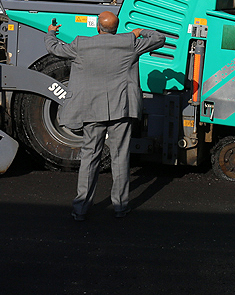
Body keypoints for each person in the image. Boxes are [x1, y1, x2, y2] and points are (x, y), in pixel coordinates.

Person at [45, 11, 165, 220]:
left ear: (97, 28)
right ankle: (120, 207)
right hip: (122, 110)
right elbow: (159, 39)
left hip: (92, 110)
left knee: (90, 156)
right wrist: (138, 31)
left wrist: (51, 33)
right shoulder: (130, 43)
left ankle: (81, 209)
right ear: (116, 28)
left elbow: (54, 49)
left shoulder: (81, 44)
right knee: (120, 157)